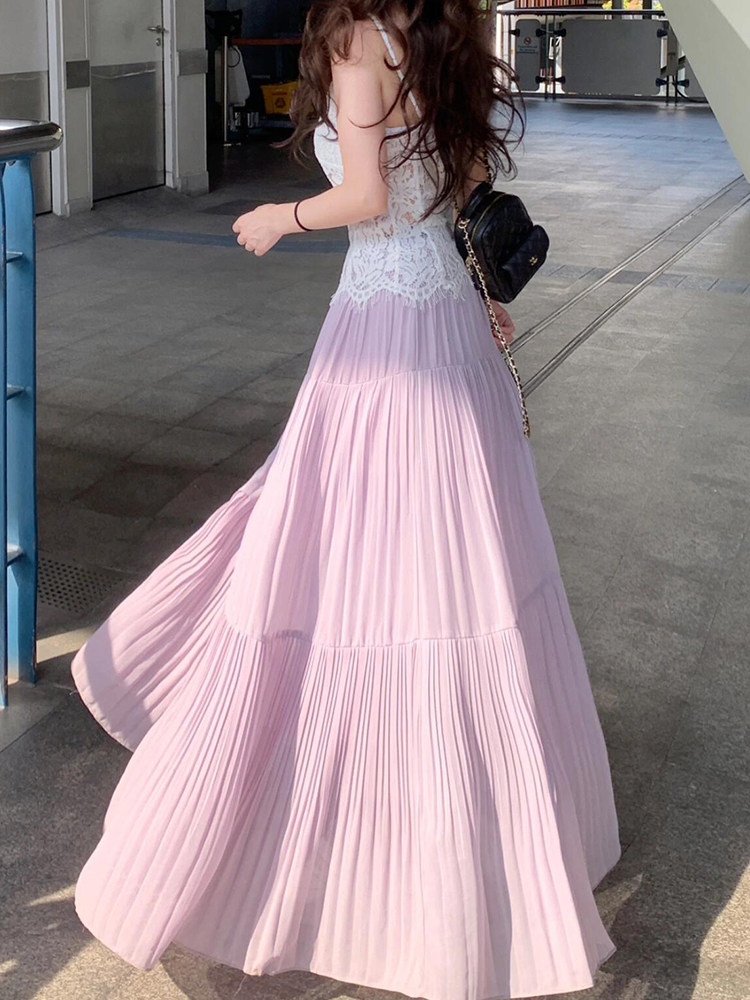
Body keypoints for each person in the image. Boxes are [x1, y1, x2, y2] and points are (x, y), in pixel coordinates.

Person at [71, 3, 622, 998]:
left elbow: (365, 195)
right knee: (460, 567)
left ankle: (356, 851)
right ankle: (492, 845)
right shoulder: (444, 33)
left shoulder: (359, 39)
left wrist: (278, 218)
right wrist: (480, 293)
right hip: (448, 320)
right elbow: (460, 182)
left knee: (340, 552)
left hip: (385, 329)